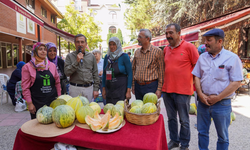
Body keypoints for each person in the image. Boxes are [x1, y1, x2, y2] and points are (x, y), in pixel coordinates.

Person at [192, 28, 242, 150]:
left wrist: (218, 97)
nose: (205, 43)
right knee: (202, 132)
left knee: (223, 136)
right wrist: (200, 93)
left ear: (219, 41)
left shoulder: (232, 58)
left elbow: (236, 82)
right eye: (205, 40)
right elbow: (197, 76)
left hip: (222, 103)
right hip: (203, 102)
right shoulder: (202, 57)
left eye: (209, 40)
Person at [162, 23, 199, 150]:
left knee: (184, 120)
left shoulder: (189, 47)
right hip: (167, 90)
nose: (168, 35)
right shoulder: (166, 49)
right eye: (167, 33)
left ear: (179, 33)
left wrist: (191, 82)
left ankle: (185, 145)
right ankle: (174, 140)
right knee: (171, 119)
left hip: (183, 91)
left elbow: (198, 67)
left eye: (171, 33)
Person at [22, 42, 61, 119]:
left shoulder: (52, 66)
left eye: (44, 49)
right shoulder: (27, 67)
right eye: (40, 49)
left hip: (52, 102)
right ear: (35, 51)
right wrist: (29, 103)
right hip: (37, 103)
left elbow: (57, 83)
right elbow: (25, 87)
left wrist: (59, 98)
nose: (43, 51)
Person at [64, 34, 99, 102]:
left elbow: (95, 74)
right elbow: (66, 72)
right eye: (77, 42)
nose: (80, 44)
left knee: (88, 111)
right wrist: (76, 62)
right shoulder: (69, 56)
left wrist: (96, 89)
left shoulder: (91, 56)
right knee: (75, 111)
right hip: (75, 88)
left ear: (86, 44)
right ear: (75, 43)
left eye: (82, 42)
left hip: (89, 89)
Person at [132, 29, 164, 100]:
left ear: (147, 39)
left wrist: (159, 89)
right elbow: (133, 69)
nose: (138, 39)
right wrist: (133, 85)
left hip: (151, 86)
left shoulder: (158, 51)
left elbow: (161, 72)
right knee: (139, 108)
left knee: (150, 110)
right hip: (138, 86)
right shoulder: (137, 52)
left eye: (140, 37)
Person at [102, 37, 132, 104]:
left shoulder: (124, 56)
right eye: (110, 44)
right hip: (109, 90)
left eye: (114, 44)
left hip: (121, 91)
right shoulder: (107, 57)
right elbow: (104, 74)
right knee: (109, 111)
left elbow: (130, 74)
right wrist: (103, 89)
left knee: (121, 111)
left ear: (118, 45)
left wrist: (128, 90)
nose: (112, 46)